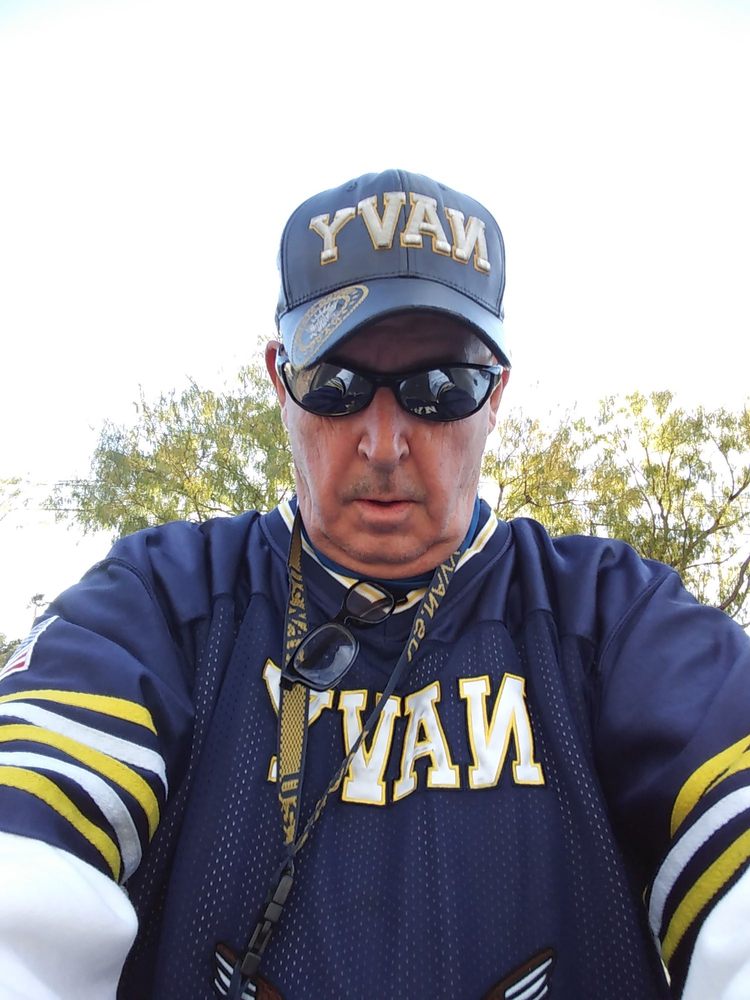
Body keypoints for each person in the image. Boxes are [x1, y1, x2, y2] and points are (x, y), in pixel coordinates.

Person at [0, 168, 748, 1000]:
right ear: (280, 380)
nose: (384, 443)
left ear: (496, 394)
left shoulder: (615, 621)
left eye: (440, 388)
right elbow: (25, 854)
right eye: (337, 384)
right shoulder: (160, 606)